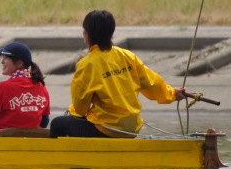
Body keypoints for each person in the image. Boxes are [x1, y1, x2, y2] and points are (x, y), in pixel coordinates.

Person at [49, 9, 186, 138]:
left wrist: (72, 112)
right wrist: (172, 93)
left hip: (106, 130)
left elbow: (80, 108)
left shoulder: (86, 64)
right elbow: (152, 84)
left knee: (57, 124)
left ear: (88, 34)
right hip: (132, 128)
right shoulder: (128, 56)